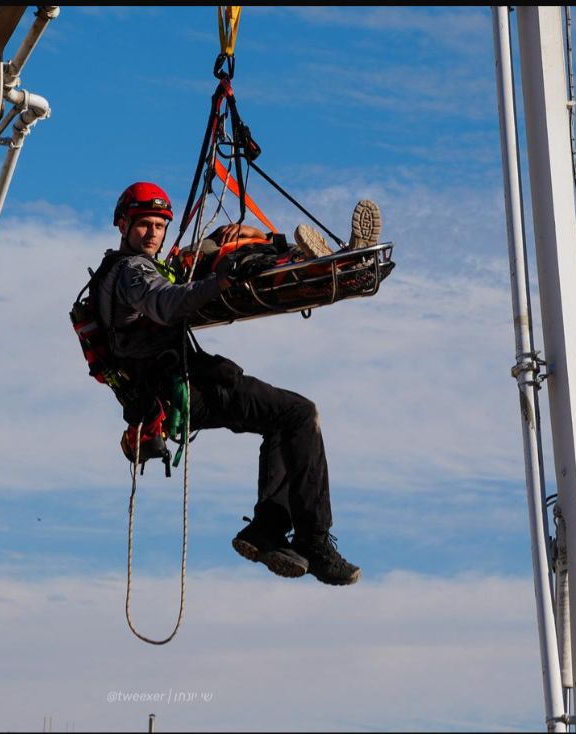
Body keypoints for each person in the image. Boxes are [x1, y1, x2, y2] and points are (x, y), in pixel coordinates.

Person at [95, 181, 381, 586]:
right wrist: (222, 281)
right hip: (181, 389)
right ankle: (313, 542)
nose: (153, 233)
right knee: (297, 414)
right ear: (123, 224)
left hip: (173, 388)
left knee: (285, 417)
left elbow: (175, 285)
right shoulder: (132, 271)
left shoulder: (127, 271)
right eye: (144, 224)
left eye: (159, 225)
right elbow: (167, 303)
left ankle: (266, 529)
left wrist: (226, 243)